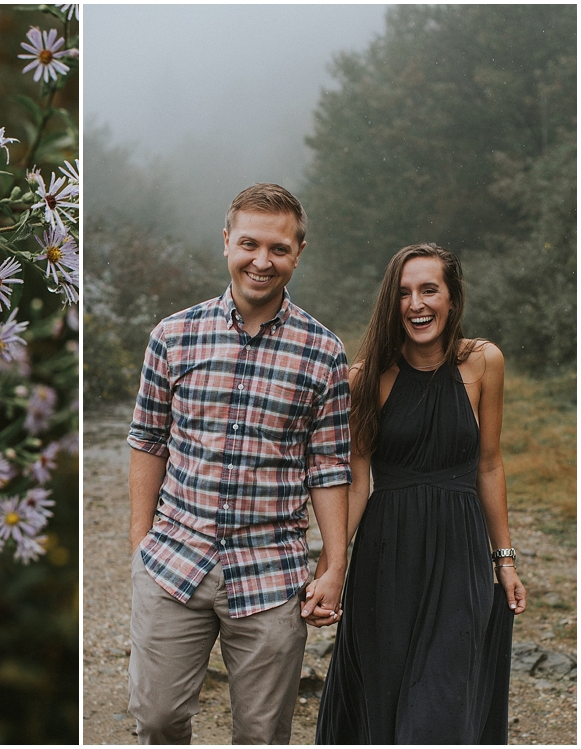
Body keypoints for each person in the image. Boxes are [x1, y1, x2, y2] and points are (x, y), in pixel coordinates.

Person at [127, 183, 350, 745]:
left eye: (278, 249)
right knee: (157, 719)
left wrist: (334, 566)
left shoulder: (324, 354)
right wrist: (139, 546)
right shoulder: (173, 336)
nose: (262, 261)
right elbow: (148, 441)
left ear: (298, 252)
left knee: (261, 733)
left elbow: (328, 467)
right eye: (249, 244)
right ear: (226, 242)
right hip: (174, 561)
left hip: (271, 573)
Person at [315, 243, 527, 744]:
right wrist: (332, 569)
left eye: (429, 290)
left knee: (441, 707)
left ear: (452, 299)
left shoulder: (483, 363)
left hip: (460, 559)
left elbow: (489, 464)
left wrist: (505, 558)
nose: (417, 304)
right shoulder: (366, 378)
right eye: (404, 293)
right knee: (383, 703)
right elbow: (357, 480)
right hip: (387, 560)